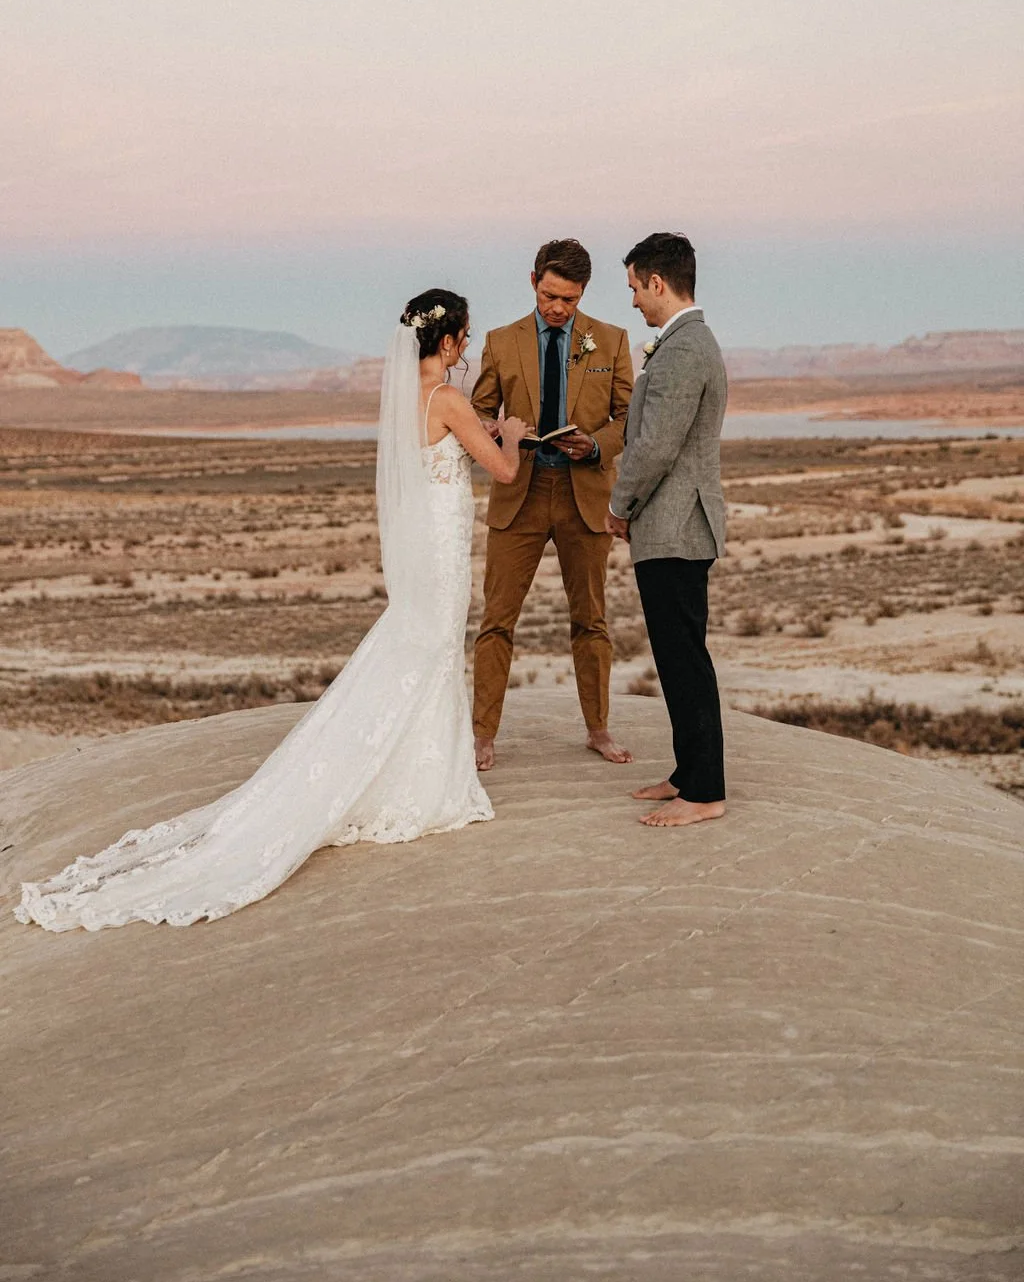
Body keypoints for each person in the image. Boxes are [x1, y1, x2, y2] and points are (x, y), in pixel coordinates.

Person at [15, 290, 528, 932]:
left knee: (417, 646)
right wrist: (509, 434)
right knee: (430, 647)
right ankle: (423, 782)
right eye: (465, 337)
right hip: (443, 549)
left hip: (426, 545)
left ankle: (419, 770)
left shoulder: (404, 399)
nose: (468, 348)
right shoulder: (448, 401)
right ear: (448, 341)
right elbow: (504, 472)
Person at [471, 238, 635, 772]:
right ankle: (482, 737)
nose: (557, 308)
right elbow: (476, 413)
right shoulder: (500, 341)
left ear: (583, 292)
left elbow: (629, 417)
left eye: (568, 298)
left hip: (583, 495)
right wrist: (502, 434)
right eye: (548, 295)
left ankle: (598, 729)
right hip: (518, 495)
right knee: (497, 621)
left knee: (591, 620)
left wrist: (596, 445)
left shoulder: (610, 341)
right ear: (533, 280)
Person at [605, 233, 729, 828]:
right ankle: (687, 772)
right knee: (676, 655)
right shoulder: (686, 342)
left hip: (675, 526)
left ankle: (704, 791)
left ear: (658, 282)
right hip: (675, 524)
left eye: (634, 287)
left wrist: (619, 506)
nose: (632, 301)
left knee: (684, 660)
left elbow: (655, 445)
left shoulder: (682, 349)